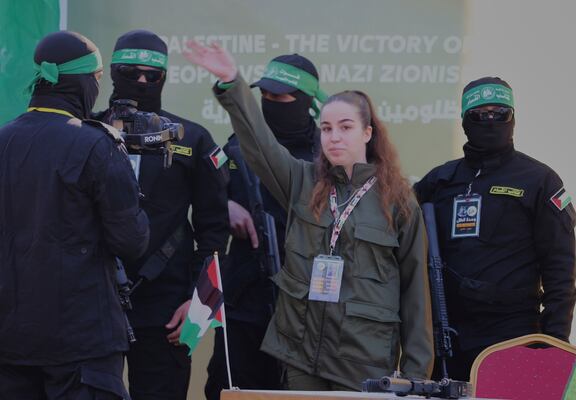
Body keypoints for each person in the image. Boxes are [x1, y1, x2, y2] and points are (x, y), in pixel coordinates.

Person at [185, 42, 433, 391]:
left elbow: (415, 293)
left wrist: (416, 375)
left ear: (367, 132)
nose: (334, 137)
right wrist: (232, 83)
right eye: (327, 128)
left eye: (345, 127)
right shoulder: (303, 181)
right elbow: (259, 144)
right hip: (301, 356)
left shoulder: (398, 200)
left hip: (362, 361)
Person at [0, 31, 149, 399]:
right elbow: (131, 240)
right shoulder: (97, 144)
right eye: (97, 79)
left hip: (10, 341)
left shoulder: (4, 140)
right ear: (85, 82)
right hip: (83, 342)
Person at [413, 77, 576, 381]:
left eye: (499, 113)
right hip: (447, 338)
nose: (490, 121)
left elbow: (560, 269)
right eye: (479, 114)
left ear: (513, 118)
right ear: (464, 121)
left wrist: (555, 344)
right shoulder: (438, 182)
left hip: (513, 336)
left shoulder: (540, 180)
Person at [95, 30, 230, 400]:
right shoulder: (86, 133)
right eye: (130, 72)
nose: (140, 82)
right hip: (92, 300)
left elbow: (214, 231)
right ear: (112, 72)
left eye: (151, 75)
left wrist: (199, 302)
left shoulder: (192, 139)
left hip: (168, 307)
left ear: (164, 78)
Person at [205, 54, 322, 400]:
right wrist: (223, 206)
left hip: (306, 311)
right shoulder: (239, 145)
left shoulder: (325, 155)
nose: (270, 104)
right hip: (243, 304)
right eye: (265, 97)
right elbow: (205, 194)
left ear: (304, 101)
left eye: (280, 98)